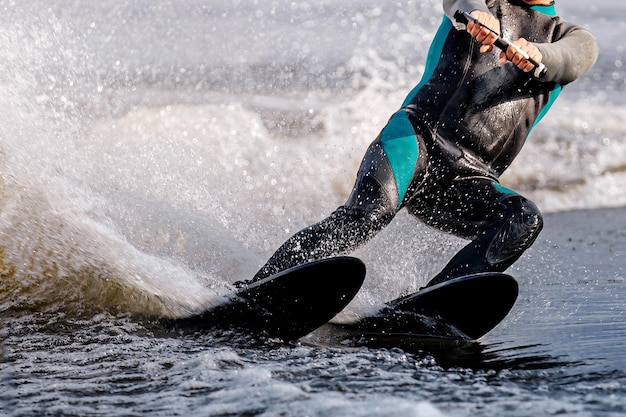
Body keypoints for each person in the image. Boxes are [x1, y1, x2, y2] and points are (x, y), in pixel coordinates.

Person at [244, 0, 598, 288]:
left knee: (523, 218)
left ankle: (433, 307)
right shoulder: (484, 3)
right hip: (414, 141)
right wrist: (476, 17)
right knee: (364, 218)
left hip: (468, 181)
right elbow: (459, 2)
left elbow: (570, 58)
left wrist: (536, 55)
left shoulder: (572, 37)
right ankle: (257, 287)